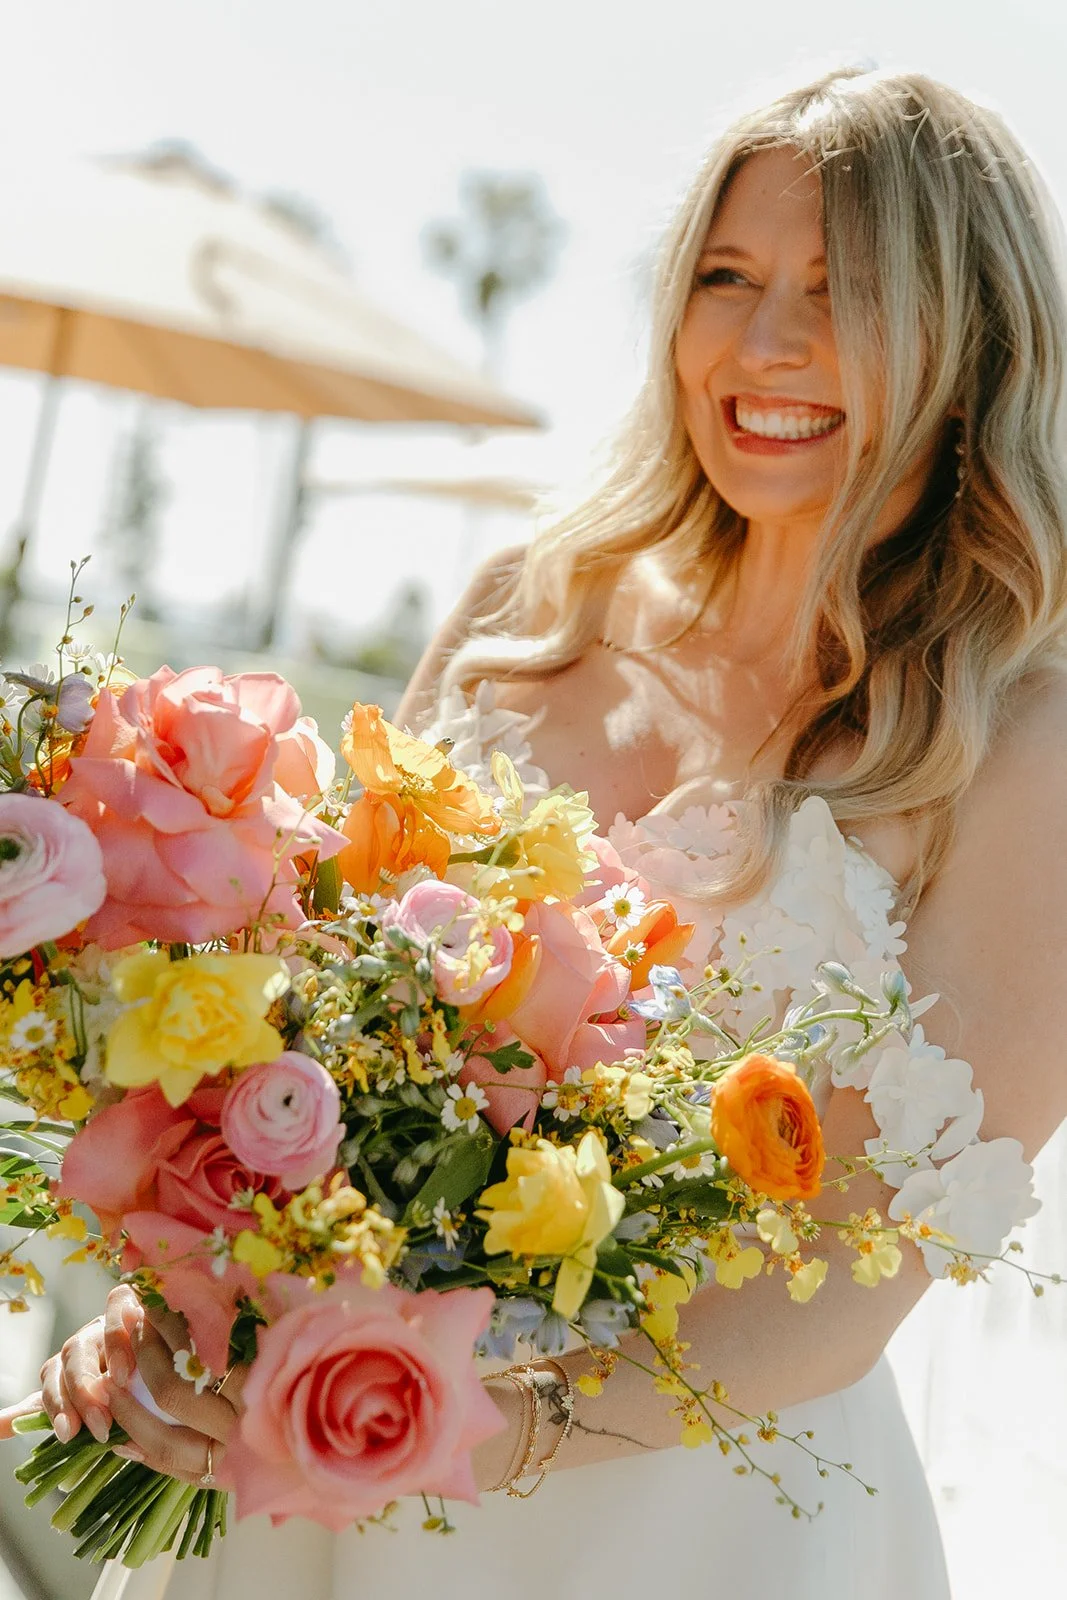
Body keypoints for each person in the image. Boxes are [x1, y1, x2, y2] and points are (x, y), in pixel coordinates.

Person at [5, 64, 1067, 1599]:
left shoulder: (1020, 745)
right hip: (302, 1475)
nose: (765, 344)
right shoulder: (527, 614)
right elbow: (285, 1059)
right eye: (726, 276)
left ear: (968, 346)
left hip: (692, 1532)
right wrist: (183, 1313)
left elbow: (855, 1287)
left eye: (845, 292)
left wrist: (461, 1427)